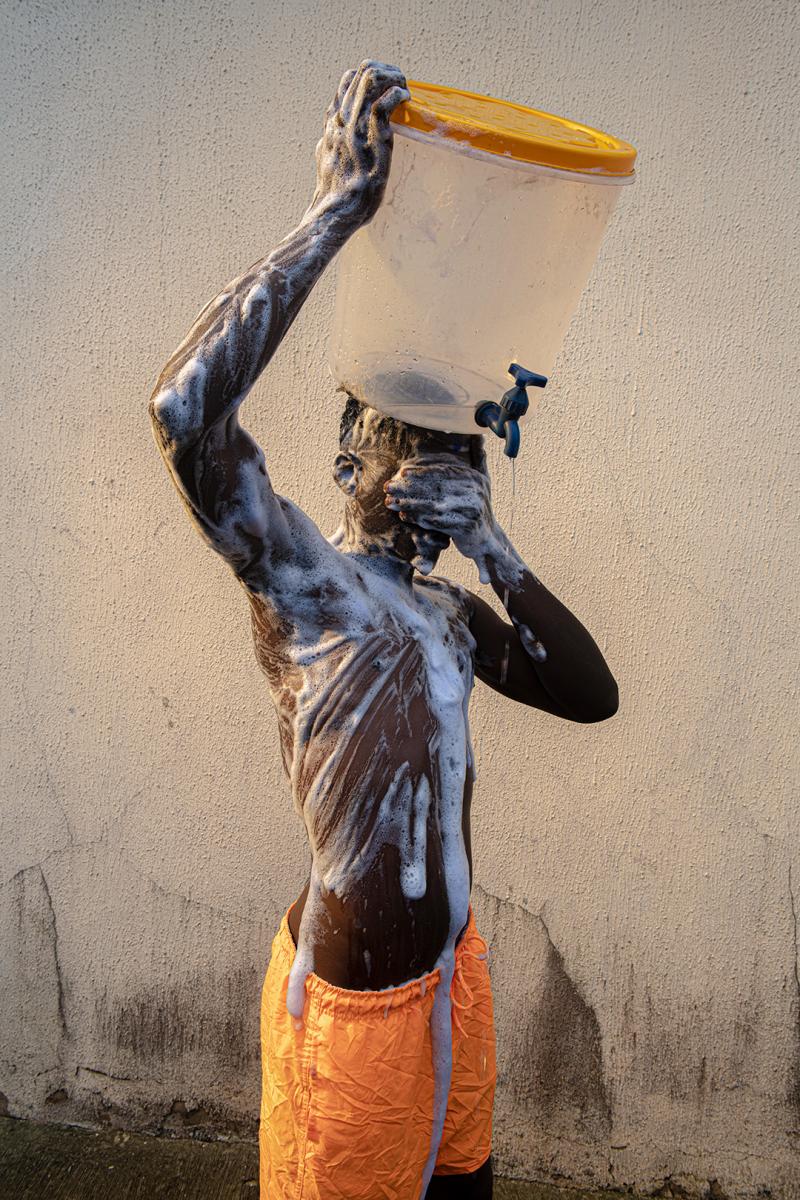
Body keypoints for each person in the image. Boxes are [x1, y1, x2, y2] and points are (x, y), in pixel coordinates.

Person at [149, 60, 618, 1200]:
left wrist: (497, 550)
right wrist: (335, 214)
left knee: (464, 1185)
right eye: (409, 438)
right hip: (353, 1014)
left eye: (456, 448)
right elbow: (183, 413)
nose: (436, 465)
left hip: (452, 978)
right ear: (349, 463)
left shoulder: (453, 615)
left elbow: (590, 696)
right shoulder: (308, 588)